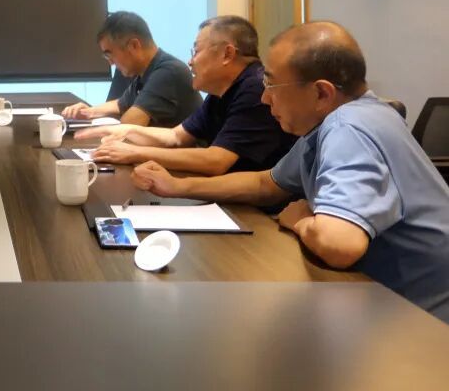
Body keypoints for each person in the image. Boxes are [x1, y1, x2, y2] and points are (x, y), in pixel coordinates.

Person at [130, 21, 449, 323]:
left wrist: (300, 220)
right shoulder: (341, 121)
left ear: (322, 93)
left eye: (271, 84)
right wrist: (177, 187)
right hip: (381, 300)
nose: (264, 97)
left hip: (421, 324)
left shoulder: (349, 127)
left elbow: (340, 245)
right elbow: (265, 183)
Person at [76, 16, 294, 175]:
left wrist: (134, 152)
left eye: (196, 51)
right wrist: (125, 130)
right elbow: (176, 137)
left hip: (263, 211)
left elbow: (216, 160)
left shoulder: (254, 88)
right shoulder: (220, 92)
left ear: (227, 54)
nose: (190, 61)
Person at [62, 11, 201, 128]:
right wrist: (88, 112)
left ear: (134, 45)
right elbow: (121, 104)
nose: (110, 62)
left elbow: (129, 125)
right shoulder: (144, 72)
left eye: (109, 54)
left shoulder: (168, 72)